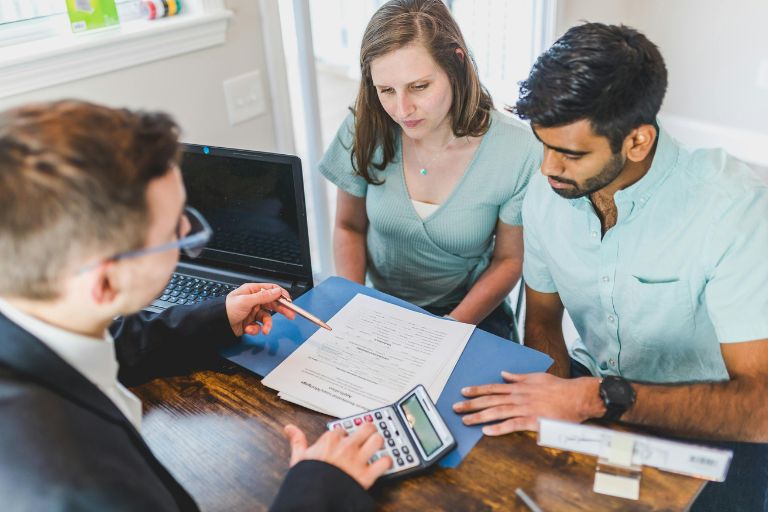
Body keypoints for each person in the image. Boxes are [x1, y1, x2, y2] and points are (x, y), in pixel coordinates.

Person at [0, 100, 390, 511]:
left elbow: (119, 342)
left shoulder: (38, 315)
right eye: (176, 231)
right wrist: (319, 489)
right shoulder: (84, 486)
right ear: (105, 282)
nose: (189, 233)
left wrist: (218, 316)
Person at [452, 23, 768, 511]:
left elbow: (760, 407)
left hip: (713, 420)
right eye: (544, 144)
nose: (547, 168)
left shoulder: (734, 209)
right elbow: (541, 320)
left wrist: (592, 399)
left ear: (637, 142)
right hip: (588, 394)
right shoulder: (547, 192)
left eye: (571, 153)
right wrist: (552, 430)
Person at [319, 0, 541, 340]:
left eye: (419, 86)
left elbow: (508, 260)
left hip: (470, 313)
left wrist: (447, 329)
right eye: (386, 91)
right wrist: (355, 305)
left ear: (456, 64)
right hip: (377, 307)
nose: (402, 109)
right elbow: (348, 226)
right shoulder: (364, 126)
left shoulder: (517, 149)